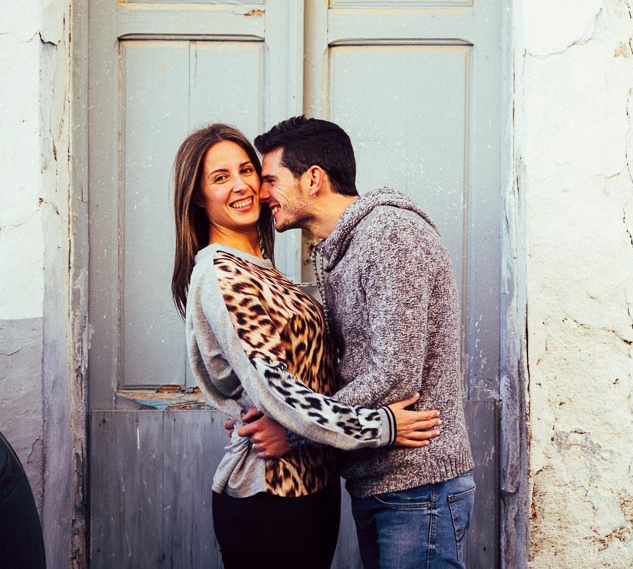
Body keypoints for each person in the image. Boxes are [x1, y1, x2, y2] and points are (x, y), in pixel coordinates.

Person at [170, 123, 442, 569]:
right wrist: (382, 427)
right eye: (220, 178)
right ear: (198, 197)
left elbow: (294, 379)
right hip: (270, 492)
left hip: (312, 486)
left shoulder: (260, 268)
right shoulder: (223, 275)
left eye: (247, 171)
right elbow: (280, 393)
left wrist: (259, 407)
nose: (242, 186)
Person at [237, 116, 475, 569]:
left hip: (418, 485)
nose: (262, 193)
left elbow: (394, 374)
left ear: (313, 179)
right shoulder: (341, 247)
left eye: (270, 179)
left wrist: (292, 430)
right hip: (384, 481)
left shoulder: (389, 237)